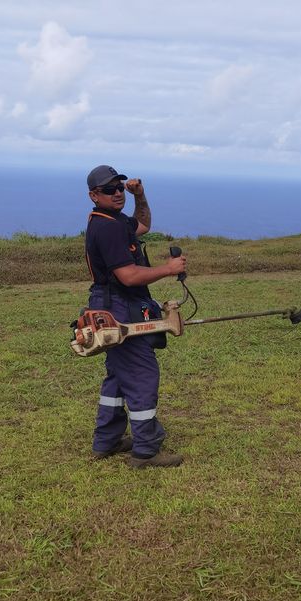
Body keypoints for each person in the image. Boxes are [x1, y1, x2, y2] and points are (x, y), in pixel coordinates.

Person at [84, 165, 187, 468]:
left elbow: (143, 224)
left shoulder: (111, 220)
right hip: (121, 306)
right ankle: (145, 451)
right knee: (142, 374)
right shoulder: (109, 227)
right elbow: (128, 276)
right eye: (109, 190)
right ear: (94, 195)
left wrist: (140, 196)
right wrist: (169, 269)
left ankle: (107, 441)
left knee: (118, 376)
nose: (117, 193)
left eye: (119, 187)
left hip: (111, 303)